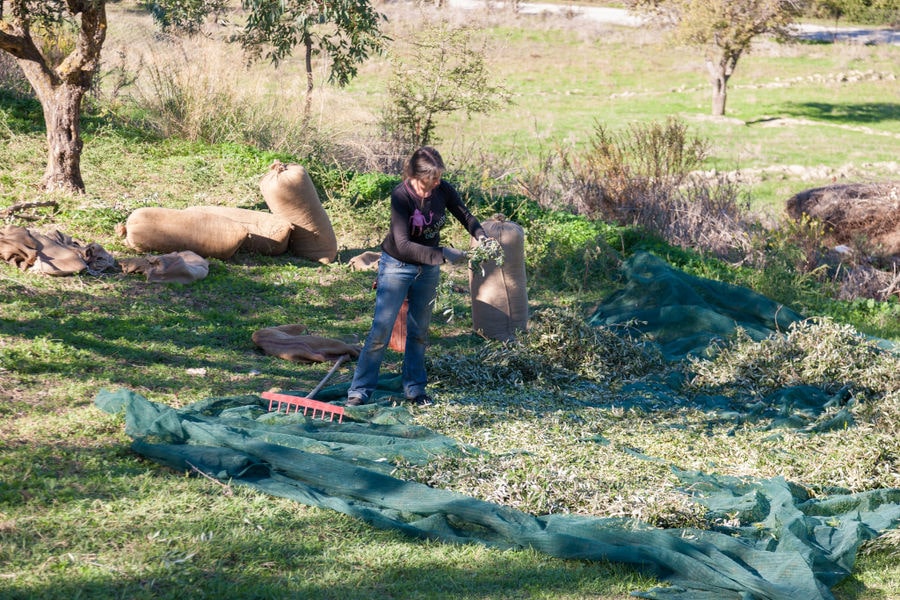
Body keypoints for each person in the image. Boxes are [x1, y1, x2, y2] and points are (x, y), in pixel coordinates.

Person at [347, 146, 488, 406]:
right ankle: (360, 391)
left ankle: (414, 388)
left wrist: (481, 235)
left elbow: (465, 215)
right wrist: (443, 253)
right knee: (381, 332)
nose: (435, 184)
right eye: (430, 179)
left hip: (427, 271)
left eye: (438, 178)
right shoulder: (401, 196)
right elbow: (403, 245)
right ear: (415, 175)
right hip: (396, 267)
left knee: (419, 331)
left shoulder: (442, 190)